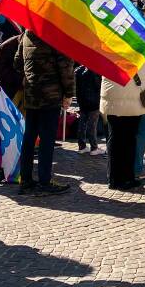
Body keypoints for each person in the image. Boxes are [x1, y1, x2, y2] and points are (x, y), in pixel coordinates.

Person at [16, 30, 74, 195]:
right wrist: (69, 93)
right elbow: (66, 67)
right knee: (47, 140)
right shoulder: (56, 34)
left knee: (29, 138)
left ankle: (25, 180)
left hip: (32, 94)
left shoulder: (26, 34)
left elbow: (17, 62)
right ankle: (44, 181)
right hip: (50, 95)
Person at [101, 52, 145, 191]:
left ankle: (113, 178)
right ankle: (126, 178)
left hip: (110, 91)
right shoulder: (141, 39)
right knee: (129, 138)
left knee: (114, 137)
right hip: (132, 94)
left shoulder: (108, 39)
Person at [74, 63, 104, 156]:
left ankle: (82, 146)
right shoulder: (96, 71)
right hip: (94, 101)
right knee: (92, 125)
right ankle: (94, 147)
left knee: (82, 124)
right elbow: (99, 86)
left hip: (82, 101)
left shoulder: (78, 71)